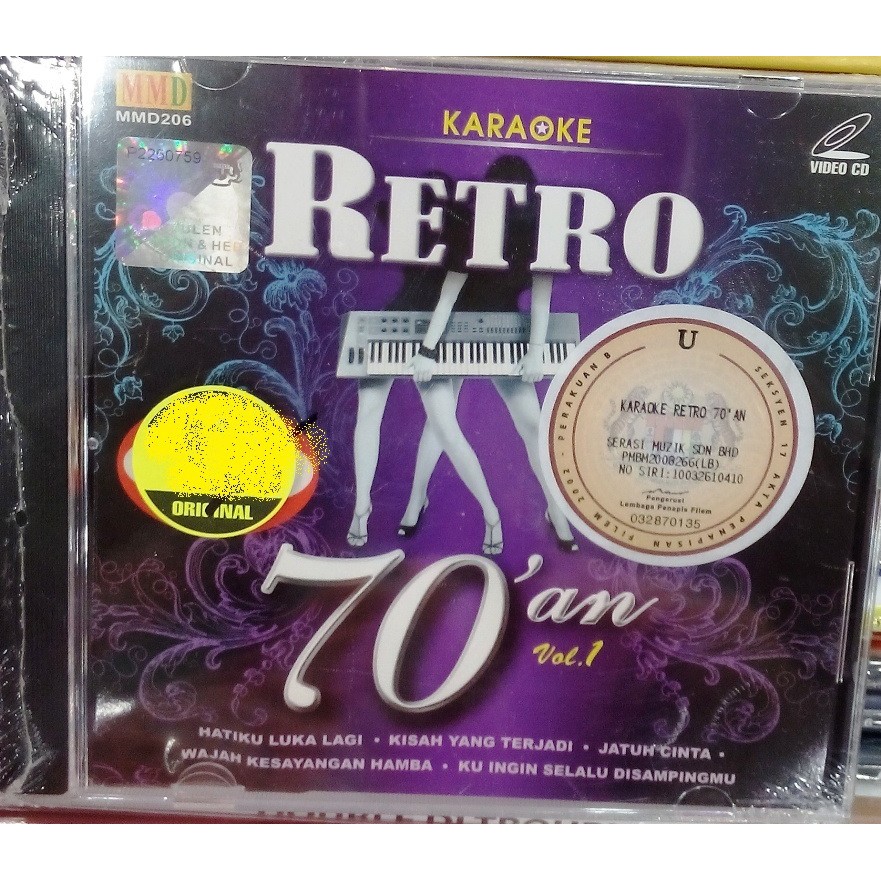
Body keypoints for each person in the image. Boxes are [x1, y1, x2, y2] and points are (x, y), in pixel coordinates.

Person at [401, 155, 578, 553]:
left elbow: (541, 302)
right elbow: (447, 298)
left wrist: (535, 353)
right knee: (438, 422)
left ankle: (556, 509)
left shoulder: (539, 237)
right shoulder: (471, 232)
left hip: (506, 335)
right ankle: (417, 499)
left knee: (533, 425)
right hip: (454, 335)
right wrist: (427, 350)